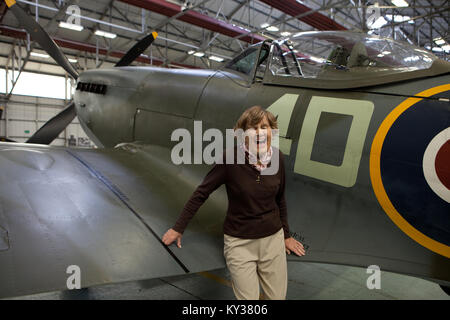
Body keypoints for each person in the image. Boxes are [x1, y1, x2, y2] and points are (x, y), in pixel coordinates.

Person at [162, 106, 305, 300]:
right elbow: (201, 193)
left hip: (273, 241)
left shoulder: (277, 157)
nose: (260, 132)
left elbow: (280, 199)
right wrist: (178, 228)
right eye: (253, 128)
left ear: (272, 130)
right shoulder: (230, 159)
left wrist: (286, 236)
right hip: (240, 244)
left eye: (264, 126)